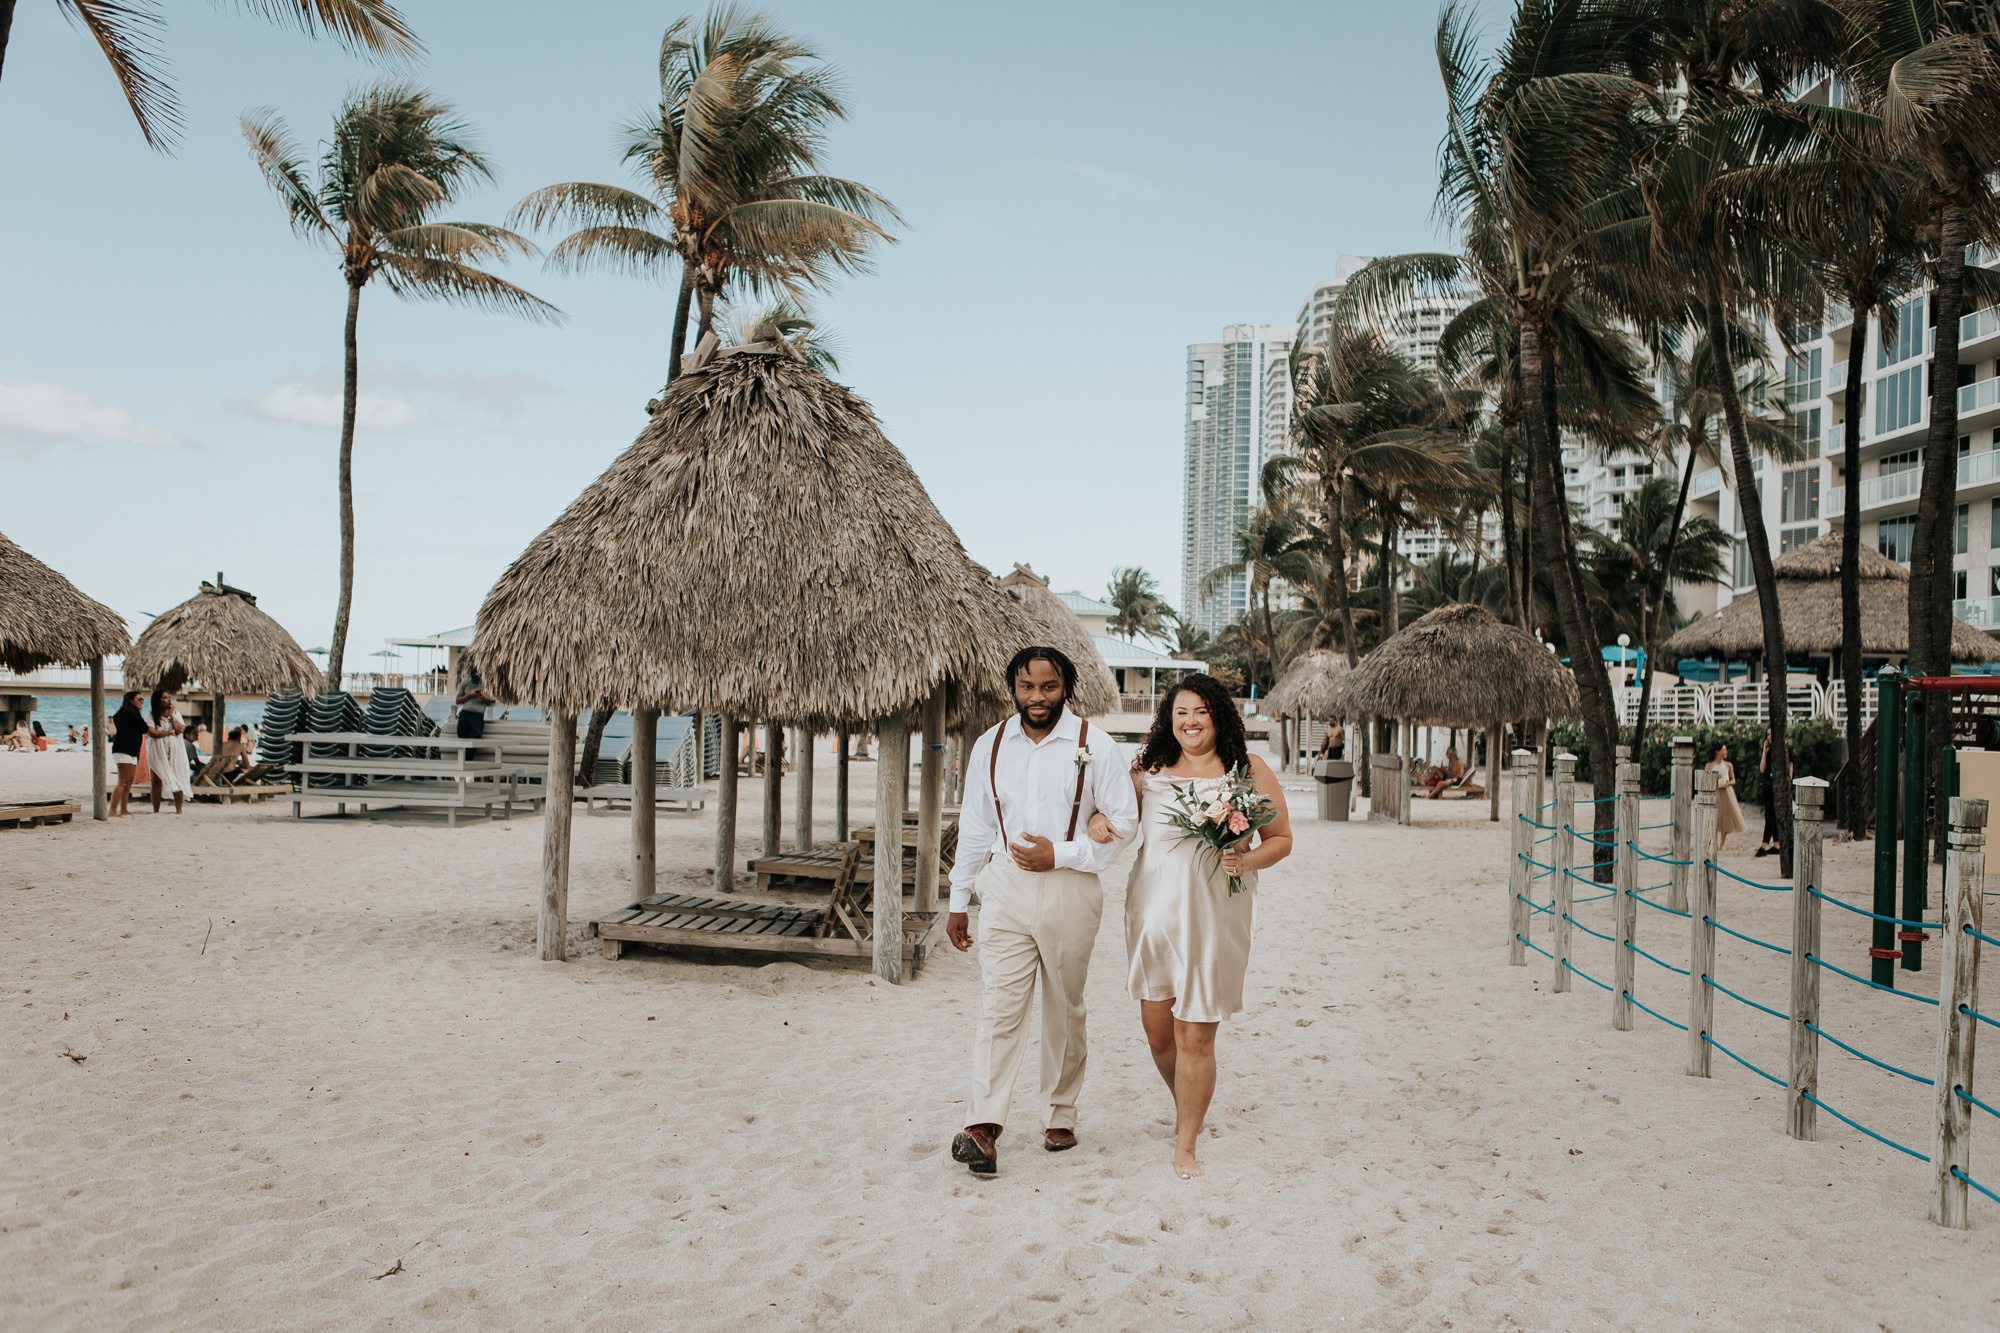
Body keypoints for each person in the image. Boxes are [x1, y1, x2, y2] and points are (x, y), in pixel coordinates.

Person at [947, 646, 1140, 1178]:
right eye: (1027, 687)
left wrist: (1065, 852)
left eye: (1049, 687)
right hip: (1005, 887)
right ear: (1013, 686)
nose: (1037, 698)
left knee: (1064, 1005)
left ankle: (1060, 1113)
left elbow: (1124, 822)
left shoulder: (1094, 746)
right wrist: (959, 898)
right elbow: (977, 827)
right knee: (1000, 1005)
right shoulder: (989, 746)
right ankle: (983, 1126)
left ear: (1066, 687)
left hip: (1072, 887)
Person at [1091, 672, 1293, 1180]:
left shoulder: (1246, 771)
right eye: (1181, 712)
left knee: (1196, 1035)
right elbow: (1107, 813)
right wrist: (1096, 817)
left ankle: (1186, 1144)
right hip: (1152, 917)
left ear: (1218, 715)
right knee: (1159, 1035)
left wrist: (1248, 862)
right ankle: (1188, 1106)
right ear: (1169, 719)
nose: (1190, 721)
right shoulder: (1147, 770)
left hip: (1213, 919)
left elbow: (1281, 837)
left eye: (1200, 711)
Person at [145, 687, 193, 815]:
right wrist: (169, 732)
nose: (169, 700)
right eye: (165, 698)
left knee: (178, 775)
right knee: (156, 780)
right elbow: (151, 732)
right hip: (157, 749)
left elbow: (180, 729)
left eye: (169, 697)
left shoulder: (175, 714)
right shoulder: (151, 714)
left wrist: (171, 716)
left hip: (175, 749)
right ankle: (156, 810)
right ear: (158, 701)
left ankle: (179, 810)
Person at [109, 691, 146, 816]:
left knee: (129, 781)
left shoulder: (125, 713)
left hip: (132, 751)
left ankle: (123, 808)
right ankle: (112, 810)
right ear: (131, 701)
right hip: (124, 750)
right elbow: (144, 728)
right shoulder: (131, 714)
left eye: (142, 699)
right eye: (139, 699)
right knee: (123, 782)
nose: (142, 701)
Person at [1709, 742, 1746, 852]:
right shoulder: (1710, 766)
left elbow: (1733, 779)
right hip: (1715, 791)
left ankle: (1722, 843)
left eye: (1725, 750)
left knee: (1725, 816)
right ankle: (1711, 841)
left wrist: (1728, 783)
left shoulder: (1728, 765)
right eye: (1723, 750)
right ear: (1717, 751)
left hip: (1726, 791)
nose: (1725, 752)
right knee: (1714, 816)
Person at [1755, 732, 1782, 857]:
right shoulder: (1769, 750)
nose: (1770, 737)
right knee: (1771, 814)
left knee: (1771, 815)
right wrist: (1764, 752)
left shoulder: (1783, 749)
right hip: (1768, 785)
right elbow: (1762, 769)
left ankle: (1764, 844)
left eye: (1772, 734)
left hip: (1778, 785)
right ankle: (1776, 843)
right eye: (1768, 735)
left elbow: (1790, 767)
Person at [455, 658, 495, 740]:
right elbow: (458, 701)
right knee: (462, 737)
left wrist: (484, 698)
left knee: (475, 739)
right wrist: (469, 695)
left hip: (477, 716)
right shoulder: (466, 683)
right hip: (465, 714)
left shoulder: (487, 684)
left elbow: (494, 699)